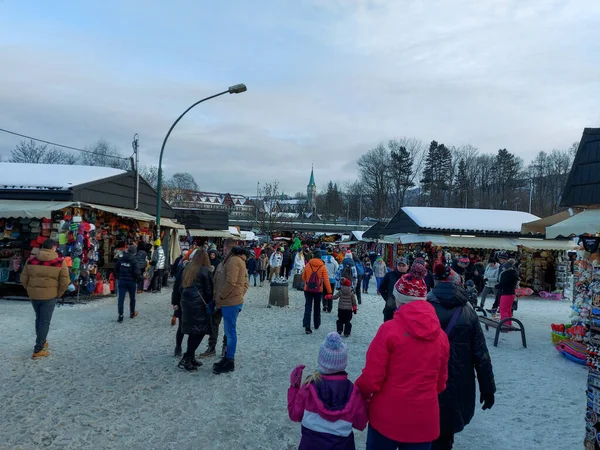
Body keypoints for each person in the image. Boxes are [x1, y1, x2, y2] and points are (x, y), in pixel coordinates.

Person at [356, 269, 450, 450]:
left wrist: (357, 395)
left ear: (400, 298)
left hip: (387, 417)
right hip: (424, 419)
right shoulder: (441, 337)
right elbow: (440, 383)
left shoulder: (389, 330)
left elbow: (371, 379)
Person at [427, 262, 496, 450]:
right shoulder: (468, 311)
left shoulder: (423, 308)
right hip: (459, 380)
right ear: (458, 284)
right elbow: (481, 354)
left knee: (426, 426)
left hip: (428, 379)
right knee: (447, 428)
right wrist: (488, 389)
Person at [287, 332, 367, 449]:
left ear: (321, 361)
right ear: (343, 363)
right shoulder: (353, 392)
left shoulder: (308, 388)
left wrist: (294, 387)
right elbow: (360, 424)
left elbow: (295, 415)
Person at [20, 239, 70, 359]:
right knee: (45, 321)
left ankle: (42, 340)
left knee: (39, 318)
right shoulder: (59, 262)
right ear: (53, 248)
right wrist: (58, 293)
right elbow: (65, 281)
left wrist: (30, 289)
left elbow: (23, 278)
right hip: (50, 295)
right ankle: (38, 349)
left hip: (34, 295)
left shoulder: (31, 260)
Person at [212, 239, 249, 374]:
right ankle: (228, 357)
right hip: (233, 300)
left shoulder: (233, 261)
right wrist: (240, 294)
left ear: (226, 248)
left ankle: (229, 360)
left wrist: (220, 296)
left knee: (230, 332)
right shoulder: (238, 260)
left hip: (230, 301)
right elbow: (245, 282)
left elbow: (230, 282)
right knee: (230, 331)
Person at [178, 249, 214, 371]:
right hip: (199, 304)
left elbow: (180, 286)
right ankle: (187, 357)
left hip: (187, 302)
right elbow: (209, 291)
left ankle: (191, 357)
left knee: (193, 331)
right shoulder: (205, 271)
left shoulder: (187, 268)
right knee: (200, 331)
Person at [302, 250, 333, 334]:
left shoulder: (308, 264)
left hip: (307, 289)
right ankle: (316, 323)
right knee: (317, 307)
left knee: (308, 307)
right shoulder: (322, 266)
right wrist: (329, 292)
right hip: (318, 290)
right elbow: (326, 280)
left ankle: (307, 326)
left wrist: (307, 281)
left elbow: (303, 277)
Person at [114, 245, 141, 322]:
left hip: (122, 281)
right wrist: (139, 278)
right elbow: (137, 272)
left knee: (121, 298)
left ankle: (120, 315)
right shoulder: (134, 261)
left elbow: (116, 268)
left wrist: (119, 276)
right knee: (132, 298)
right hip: (132, 282)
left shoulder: (121, 259)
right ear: (134, 253)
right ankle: (132, 312)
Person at [379, 257, 409, 322]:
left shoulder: (411, 278)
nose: (401, 267)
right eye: (399, 265)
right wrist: (387, 299)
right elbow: (381, 288)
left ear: (408, 266)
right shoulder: (389, 275)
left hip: (406, 309)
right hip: (390, 308)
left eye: (403, 265)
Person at [495, 260, 519, 326]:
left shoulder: (507, 274)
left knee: (503, 310)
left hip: (506, 294)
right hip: (511, 294)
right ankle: (509, 324)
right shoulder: (513, 273)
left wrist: (496, 286)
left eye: (504, 267)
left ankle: (505, 325)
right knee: (508, 310)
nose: (503, 268)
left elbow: (503, 284)